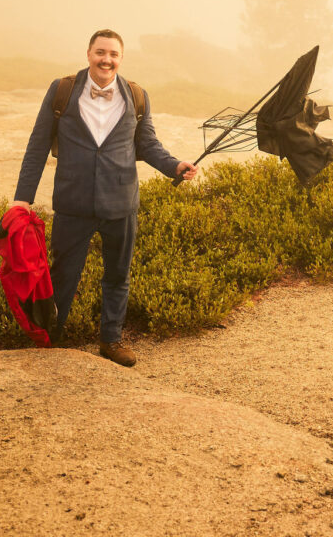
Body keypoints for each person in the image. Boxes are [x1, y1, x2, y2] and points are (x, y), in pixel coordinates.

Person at [12, 29, 197, 367]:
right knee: (62, 277)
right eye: (100, 52)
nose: (106, 59)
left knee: (117, 276)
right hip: (73, 204)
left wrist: (174, 166)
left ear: (120, 59)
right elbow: (38, 144)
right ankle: (51, 340)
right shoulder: (62, 91)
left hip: (121, 204)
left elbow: (147, 145)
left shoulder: (137, 96)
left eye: (113, 54)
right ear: (88, 54)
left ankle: (111, 341)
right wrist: (21, 198)